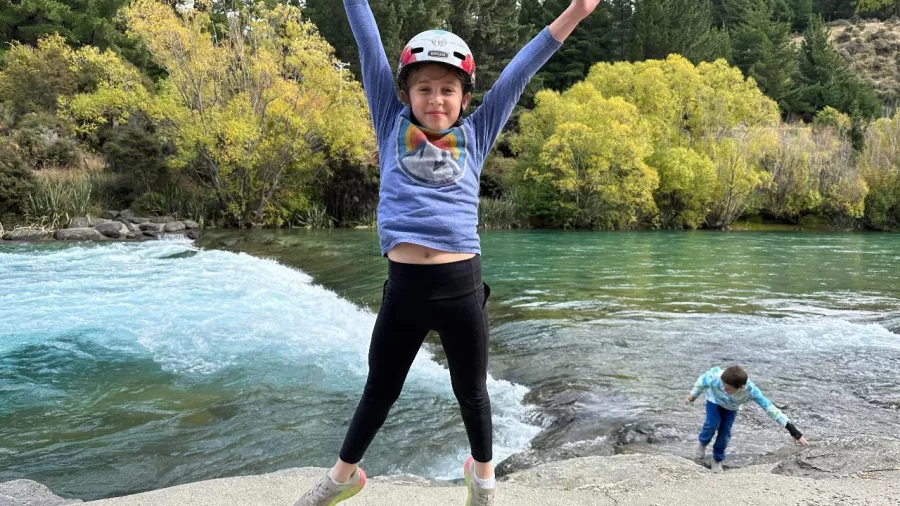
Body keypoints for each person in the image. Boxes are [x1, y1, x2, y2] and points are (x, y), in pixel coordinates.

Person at [294, 1, 604, 505]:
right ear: (405, 93)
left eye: (447, 90)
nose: (435, 99)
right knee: (380, 390)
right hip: (404, 291)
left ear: (463, 98)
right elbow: (367, 43)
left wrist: (575, 11)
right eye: (424, 89)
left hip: (461, 289)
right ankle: (342, 476)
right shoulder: (389, 120)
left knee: (472, 391)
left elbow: (522, 70)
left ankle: (482, 480)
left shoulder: (476, 133)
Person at [688, 365, 809, 473]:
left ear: (741, 387)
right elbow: (702, 381)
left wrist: (793, 431)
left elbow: (770, 409)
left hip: (731, 408)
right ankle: (702, 444)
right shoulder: (716, 377)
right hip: (713, 400)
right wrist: (694, 394)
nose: (724, 389)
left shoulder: (751, 391)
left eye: (728, 389)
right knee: (712, 424)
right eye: (723, 386)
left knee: (725, 433)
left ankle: (717, 460)